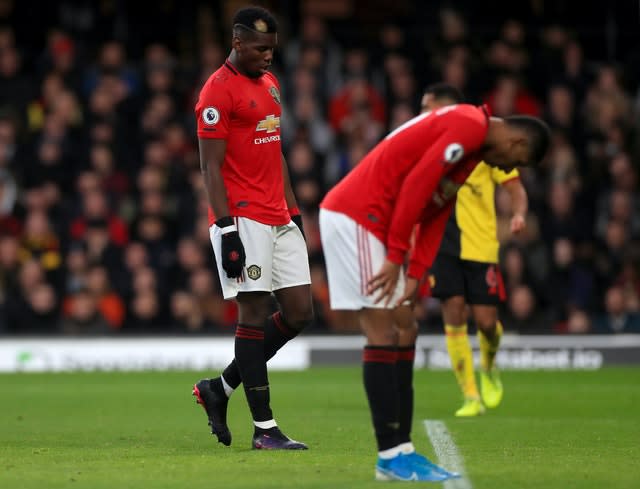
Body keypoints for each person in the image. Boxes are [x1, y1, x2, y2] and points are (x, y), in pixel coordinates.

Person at [319, 99, 549, 481]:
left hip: (376, 222)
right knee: (383, 330)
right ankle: (390, 456)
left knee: (404, 327)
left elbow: (436, 209)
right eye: (517, 163)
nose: (509, 170)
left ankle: (402, 448)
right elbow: (416, 184)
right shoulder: (469, 126)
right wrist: (396, 256)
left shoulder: (472, 149)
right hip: (359, 215)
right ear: (518, 143)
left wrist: (415, 272)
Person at [192, 6, 313, 450]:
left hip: (279, 216)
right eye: (261, 49)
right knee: (253, 314)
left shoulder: (271, 86)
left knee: (300, 312)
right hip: (242, 217)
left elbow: (275, 152)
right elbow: (210, 168)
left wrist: (295, 213)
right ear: (237, 42)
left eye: (273, 50)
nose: (268, 57)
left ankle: (218, 389)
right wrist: (226, 231)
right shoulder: (216, 94)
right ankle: (265, 430)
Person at [423, 84, 528, 417]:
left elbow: (515, 187)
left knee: (485, 323)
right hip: (442, 244)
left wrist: (519, 213)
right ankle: (470, 396)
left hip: (480, 244)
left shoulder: (483, 143)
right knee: (453, 313)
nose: (424, 113)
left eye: (429, 107)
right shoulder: (427, 145)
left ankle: (490, 366)